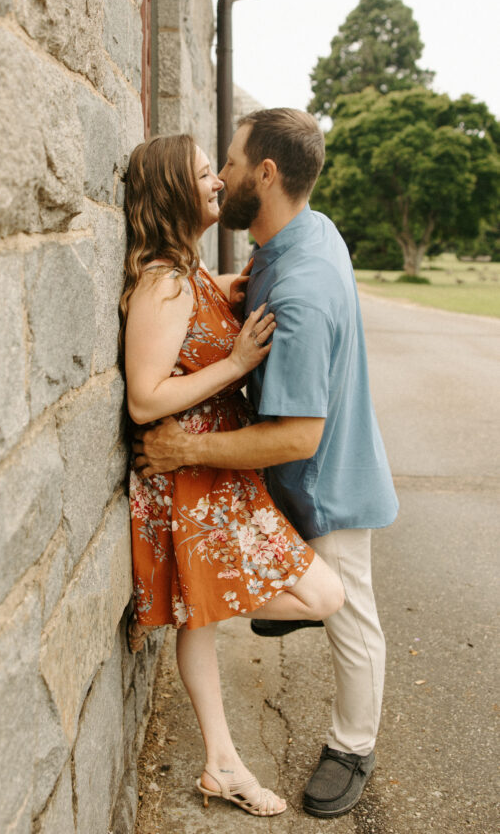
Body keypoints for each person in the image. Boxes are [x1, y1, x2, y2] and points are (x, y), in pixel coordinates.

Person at [133, 110, 399, 819]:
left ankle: (352, 746)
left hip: (325, 480)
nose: (220, 174)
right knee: (302, 596)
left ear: (266, 174)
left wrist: (184, 447)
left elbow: (297, 439)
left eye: (228, 160)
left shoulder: (303, 289)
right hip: (279, 479)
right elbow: (226, 290)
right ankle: (283, 617)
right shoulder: (293, 235)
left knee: (348, 613)